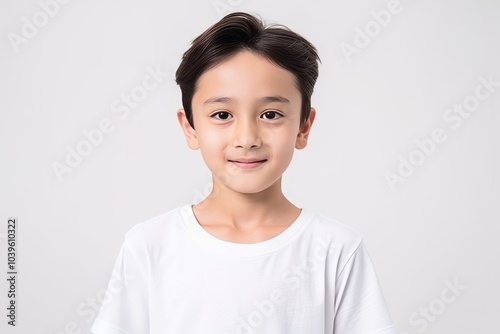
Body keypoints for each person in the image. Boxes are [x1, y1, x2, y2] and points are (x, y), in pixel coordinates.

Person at [91, 11, 396, 334]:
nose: (247, 138)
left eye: (270, 114)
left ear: (303, 127)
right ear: (190, 127)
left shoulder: (336, 250)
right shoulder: (149, 245)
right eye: (222, 114)